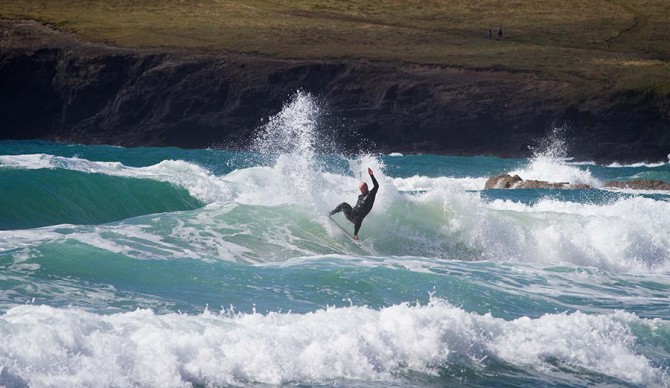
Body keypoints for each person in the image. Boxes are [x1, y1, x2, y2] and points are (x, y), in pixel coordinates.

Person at [329, 167, 379, 240]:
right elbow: (356, 207)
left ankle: (355, 235)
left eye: (363, 190)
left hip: (357, 220)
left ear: (366, 188)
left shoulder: (370, 195)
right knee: (344, 204)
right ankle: (331, 213)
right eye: (360, 190)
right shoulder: (360, 196)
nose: (361, 191)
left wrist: (371, 175)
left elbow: (376, 186)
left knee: (359, 217)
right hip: (351, 215)